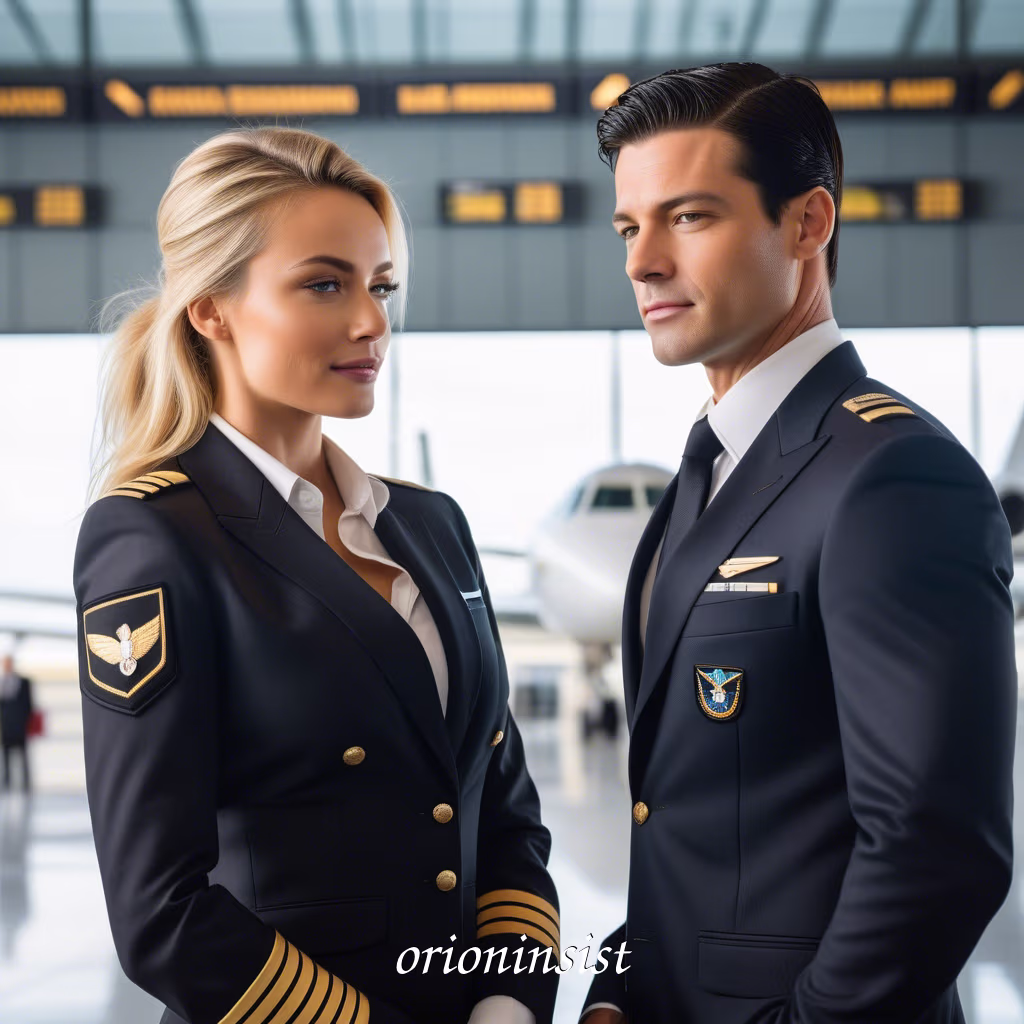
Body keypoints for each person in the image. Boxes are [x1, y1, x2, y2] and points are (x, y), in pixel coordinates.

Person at [74, 127, 559, 1024]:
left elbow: (503, 813)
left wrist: (508, 1005)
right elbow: (159, 911)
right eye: (324, 284)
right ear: (211, 309)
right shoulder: (154, 535)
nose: (372, 320)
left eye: (380, 286)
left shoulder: (430, 525)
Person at [581, 63, 1016, 1024]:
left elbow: (936, 848)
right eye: (629, 226)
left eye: (688, 218)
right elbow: (688, 829)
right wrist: (618, 994)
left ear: (808, 223)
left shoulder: (891, 476)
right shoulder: (710, 469)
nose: (641, 262)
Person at [0, 654, 33, 792]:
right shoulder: (2, 683)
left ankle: (26, 783)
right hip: (6, 726)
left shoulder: (23, 682)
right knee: (6, 756)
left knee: (23, 755)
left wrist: (26, 722)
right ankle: (7, 782)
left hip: (20, 725)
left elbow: (29, 705)